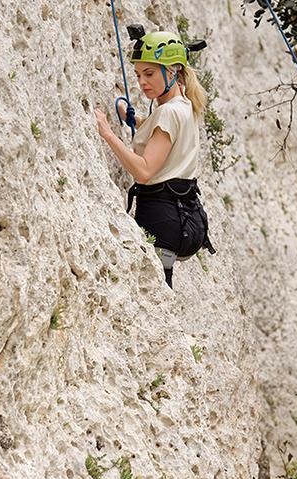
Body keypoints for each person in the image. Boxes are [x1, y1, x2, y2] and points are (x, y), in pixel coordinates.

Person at [94, 29, 215, 288]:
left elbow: (145, 171)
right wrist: (136, 120)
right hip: (185, 215)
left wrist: (106, 133)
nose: (142, 82)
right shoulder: (185, 104)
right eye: (138, 75)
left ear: (171, 71)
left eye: (149, 73)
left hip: (162, 218)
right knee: (161, 290)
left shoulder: (168, 112)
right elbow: (166, 140)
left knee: (149, 287)